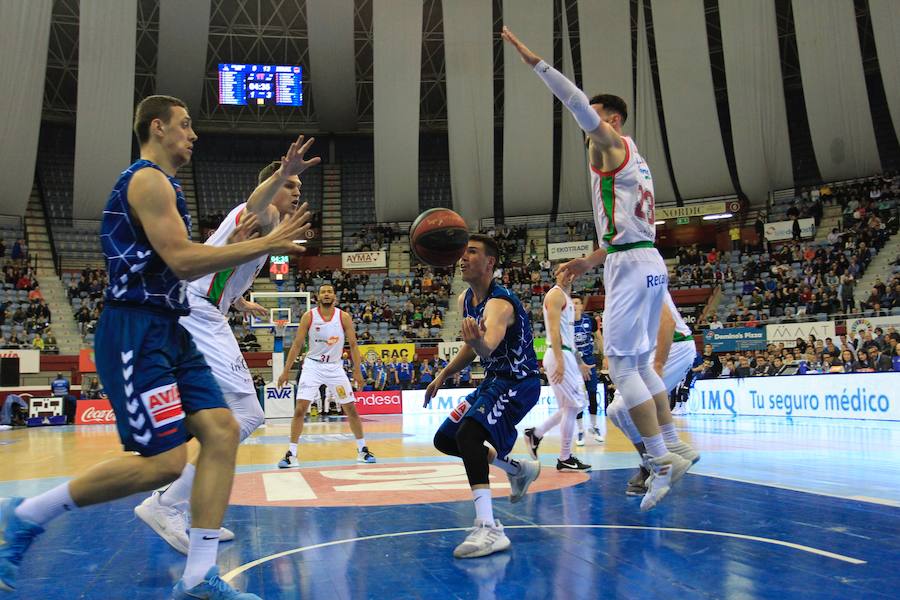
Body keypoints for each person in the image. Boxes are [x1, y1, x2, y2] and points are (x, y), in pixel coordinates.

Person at [0, 95, 311, 599]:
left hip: (174, 323)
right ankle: (27, 515)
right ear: (158, 127)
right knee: (164, 464)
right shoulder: (145, 180)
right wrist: (267, 242)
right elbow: (187, 261)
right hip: (137, 329)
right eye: (185, 125)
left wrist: (279, 183)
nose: (193, 133)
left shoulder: (169, 188)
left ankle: (198, 579)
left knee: (224, 430)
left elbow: (227, 234)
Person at [502, 27, 691, 511]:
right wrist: (589, 258)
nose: (590, 128)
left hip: (631, 265)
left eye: (598, 120)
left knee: (623, 367)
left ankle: (657, 459)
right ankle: (671, 445)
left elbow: (574, 101)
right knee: (643, 366)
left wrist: (534, 61)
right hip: (644, 259)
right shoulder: (639, 163)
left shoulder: (610, 145)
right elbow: (625, 229)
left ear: (612, 120)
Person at [134, 141, 320, 556]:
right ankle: (165, 504)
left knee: (218, 418)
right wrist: (281, 173)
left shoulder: (269, 232)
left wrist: (242, 301)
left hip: (201, 309)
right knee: (246, 415)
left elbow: (227, 269)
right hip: (198, 312)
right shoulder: (262, 213)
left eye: (295, 186)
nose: (296, 193)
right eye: (289, 186)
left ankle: (189, 507)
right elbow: (257, 202)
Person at [424, 235, 541, 559]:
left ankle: (489, 528)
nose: (463, 257)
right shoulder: (466, 299)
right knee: (447, 439)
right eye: (462, 252)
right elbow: (472, 347)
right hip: (495, 381)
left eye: (471, 252)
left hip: (519, 382)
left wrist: (476, 343)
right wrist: (442, 375)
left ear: (489, 263)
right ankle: (518, 469)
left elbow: (486, 344)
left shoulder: (500, 303)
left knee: (469, 435)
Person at [606, 294, 700, 495]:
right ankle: (654, 461)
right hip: (647, 352)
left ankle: (662, 460)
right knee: (615, 411)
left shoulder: (636, 270)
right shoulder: (617, 282)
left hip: (673, 345)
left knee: (624, 407)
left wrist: (659, 363)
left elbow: (667, 320)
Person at [276, 284, 376, 467]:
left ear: (334, 297)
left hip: (335, 368)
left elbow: (353, 345)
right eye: (323, 292)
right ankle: (292, 454)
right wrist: (285, 371)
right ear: (318, 297)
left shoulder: (343, 317)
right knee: (300, 409)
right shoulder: (309, 316)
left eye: (329, 291)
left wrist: (357, 370)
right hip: (312, 366)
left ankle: (362, 450)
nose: (326, 294)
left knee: (351, 409)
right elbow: (297, 344)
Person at [522, 270, 592, 472]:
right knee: (574, 406)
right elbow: (553, 330)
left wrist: (579, 362)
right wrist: (561, 361)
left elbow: (567, 335)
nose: (568, 274)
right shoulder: (555, 295)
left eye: (571, 271)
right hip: (559, 354)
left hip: (567, 354)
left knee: (570, 407)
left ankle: (536, 434)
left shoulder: (566, 298)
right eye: (563, 271)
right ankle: (564, 457)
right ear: (556, 274)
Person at [571, 294, 604, 445]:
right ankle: (579, 430)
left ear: (581, 306)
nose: (575, 305)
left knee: (592, 394)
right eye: (572, 303)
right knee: (577, 398)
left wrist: (604, 357)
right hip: (573, 363)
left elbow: (598, 338)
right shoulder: (565, 323)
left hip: (589, 361)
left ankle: (594, 426)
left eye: (577, 303)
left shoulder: (589, 321)